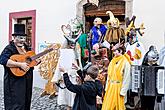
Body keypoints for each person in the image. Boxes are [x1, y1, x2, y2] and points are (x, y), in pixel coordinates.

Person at [0, 24, 37, 110]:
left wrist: (36, 62)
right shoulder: (9, 48)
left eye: (24, 38)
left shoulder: (27, 48)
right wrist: (20, 65)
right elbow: (2, 60)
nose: (22, 40)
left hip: (27, 80)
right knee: (16, 104)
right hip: (14, 82)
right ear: (14, 38)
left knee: (26, 101)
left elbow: (29, 61)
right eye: (20, 38)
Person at [101, 42, 131, 110]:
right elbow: (109, 75)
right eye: (114, 51)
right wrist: (106, 87)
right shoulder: (112, 61)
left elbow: (127, 78)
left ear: (120, 51)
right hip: (110, 87)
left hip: (119, 88)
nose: (114, 53)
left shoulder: (125, 62)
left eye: (115, 51)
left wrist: (123, 91)